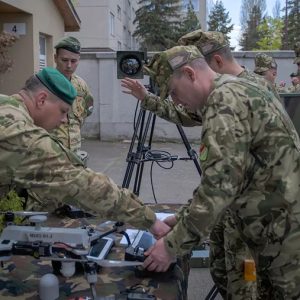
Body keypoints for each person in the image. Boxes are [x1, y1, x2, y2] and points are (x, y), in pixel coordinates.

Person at [121, 30, 283, 299]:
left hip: (271, 232)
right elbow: (222, 182)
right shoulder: (233, 91)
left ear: (190, 73)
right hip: (257, 218)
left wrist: (170, 247)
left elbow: (218, 190)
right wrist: (183, 218)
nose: (175, 101)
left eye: (173, 91)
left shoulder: (224, 101)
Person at [0, 67, 170, 241]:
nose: (65, 120)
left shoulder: (6, 105)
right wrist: (151, 220)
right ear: (42, 100)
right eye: (63, 111)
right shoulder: (18, 133)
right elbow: (82, 183)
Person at [51, 36, 94, 153]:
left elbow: (88, 109)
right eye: (64, 60)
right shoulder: (43, 82)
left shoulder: (81, 85)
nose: (69, 65)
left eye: (73, 61)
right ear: (55, 58)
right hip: (50, 150)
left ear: (79, 60)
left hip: (75, 150)